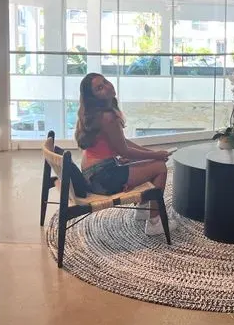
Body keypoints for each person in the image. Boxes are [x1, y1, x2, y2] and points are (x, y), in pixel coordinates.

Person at [75, 72, 174, 236]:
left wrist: (151, 153)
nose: (107, 87)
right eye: (100, 88)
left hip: (93, 175)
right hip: (104, 177)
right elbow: (124, 151)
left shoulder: (95, 114)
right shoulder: (107, 117)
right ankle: (155, 222)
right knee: (160, 167)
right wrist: (156, 156)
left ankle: (143, 210)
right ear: (93, 97)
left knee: (148, 163)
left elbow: (122, 142)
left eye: (105, 82)